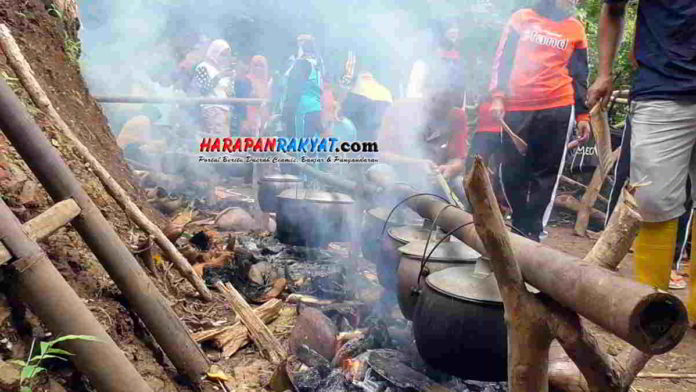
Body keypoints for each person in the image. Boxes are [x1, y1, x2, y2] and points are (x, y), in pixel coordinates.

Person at [587, 0, 696, 324]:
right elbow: (614, 7)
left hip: (662, 91)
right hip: (662, 90)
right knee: (651, 202)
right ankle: (653, 311)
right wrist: (604, 73)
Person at [489, 0, 592, 242]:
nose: (575, 1)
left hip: (558, 105)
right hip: (517, 104)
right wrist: (497, 96)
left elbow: (580, 74)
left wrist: (582, 114)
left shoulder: (575, 28)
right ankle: (519, 220)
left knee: (546, 172)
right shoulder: (521, 18)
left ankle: (532, 231)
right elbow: (502, 60)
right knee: (512, 168)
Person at [281, 35, 324, 139]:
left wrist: (285, 115)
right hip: (314, 112)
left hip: (300, 112)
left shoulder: (302, 63)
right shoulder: (316, 64)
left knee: (299, 149)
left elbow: (293, 91)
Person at [191, 39, 236, 136]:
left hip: (226, 109)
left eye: (227, 55)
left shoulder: (224, 70)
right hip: (212, 108)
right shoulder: (203, 67)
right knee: (215, 139)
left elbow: (230, 94)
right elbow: (203, 89)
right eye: (222, 54)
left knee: (224, 141)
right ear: (215, 52)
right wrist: (219, 76)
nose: (225, 58)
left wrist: (231, 80)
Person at [341, 72, 393, 141]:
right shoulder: (386, 94)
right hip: (377, 141)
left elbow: (343, 118)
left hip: (357, 141)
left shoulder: (353, 95)